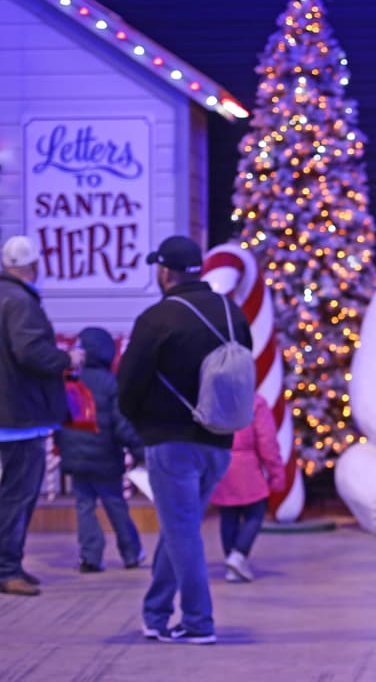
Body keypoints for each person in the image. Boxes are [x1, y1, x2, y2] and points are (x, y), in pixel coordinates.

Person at [118, 235, 252, 644]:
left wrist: (139, 425)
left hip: (171, 441)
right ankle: (156, 615)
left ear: (164, 271)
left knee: (183, 531)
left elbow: (128, 386)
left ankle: (198, 622)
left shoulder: (157, 319)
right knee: (181, 528)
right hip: (220, 439)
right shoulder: (232, 313)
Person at [0, 235, 85, 596]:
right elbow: (31, 351)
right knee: (18, 495)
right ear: (34, 266)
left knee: (11, 493)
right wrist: (68, 359)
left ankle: (9, 564)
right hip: (21, 414)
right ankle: (7, 568)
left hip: (9, 411)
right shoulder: (21, 302)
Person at [54, 327, 146, 574]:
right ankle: (131, 554)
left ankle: (90, 558)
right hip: (106, 459)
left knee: (84, 507)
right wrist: (139, 451)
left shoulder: (70, 382)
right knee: (115, 505)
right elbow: (122, 426)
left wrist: (65, 451)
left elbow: (60, 423)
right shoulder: (112, 384)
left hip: (76, 460)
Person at [209, 394, 284, 583]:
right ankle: (239, 555)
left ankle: (232, 564)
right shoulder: (254, 402)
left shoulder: (215, 400)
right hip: (247, 467)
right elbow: (267, 441)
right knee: (255, 512)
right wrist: (276, 472)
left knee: (228, 515)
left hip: (221, 465)